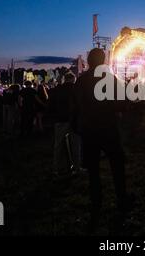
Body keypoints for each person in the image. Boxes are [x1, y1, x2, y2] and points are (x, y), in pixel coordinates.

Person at [74, 48, 129, 230]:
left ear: (89, 61)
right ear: (103, 60)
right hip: (108, 128)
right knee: (117, 165)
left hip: (89, 129)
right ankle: (122, 199)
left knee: (93, 171)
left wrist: (77, 125)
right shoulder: (109, 79)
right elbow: (121, 102)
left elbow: (75, 106)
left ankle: (96, 203)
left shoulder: (81, 80)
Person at [50, 72, 81, 177]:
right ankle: (76, 167)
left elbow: (51, 104)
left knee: (58, 145)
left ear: (65, 79)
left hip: (60, 120)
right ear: (73, 79)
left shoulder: (57, 89)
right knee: (75, 144)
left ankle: (57, 168)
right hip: (74, 120)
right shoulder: (76, 89)